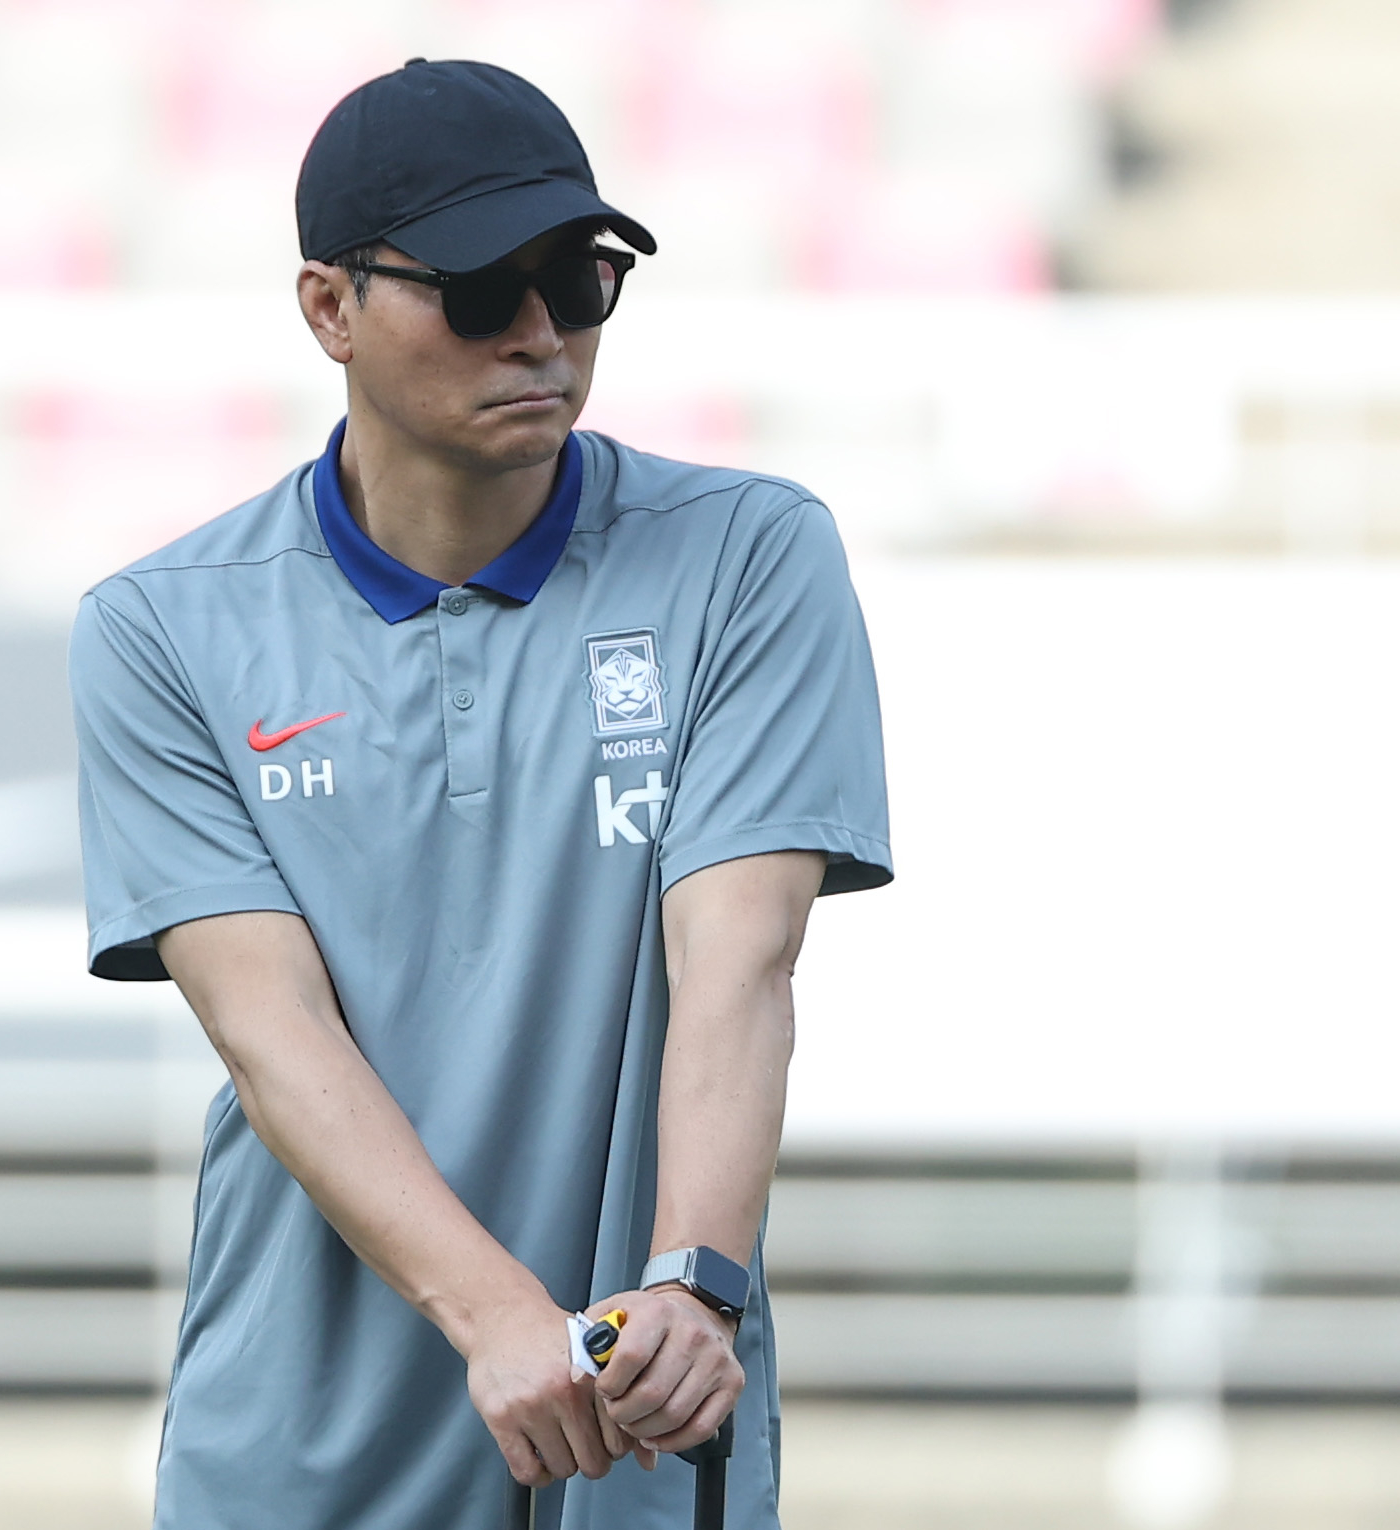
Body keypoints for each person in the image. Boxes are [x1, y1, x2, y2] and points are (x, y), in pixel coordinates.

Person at [69, 59, 890, 1530]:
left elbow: (741, 960)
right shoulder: (159, 626)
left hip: (645, 1424)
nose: (540, 335)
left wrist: (690, 1278)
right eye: (475, 289)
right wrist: (501, 1314)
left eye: (579, 281)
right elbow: (271, 1031)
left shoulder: (751, 558)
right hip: (296, 1454)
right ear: (328, 307)